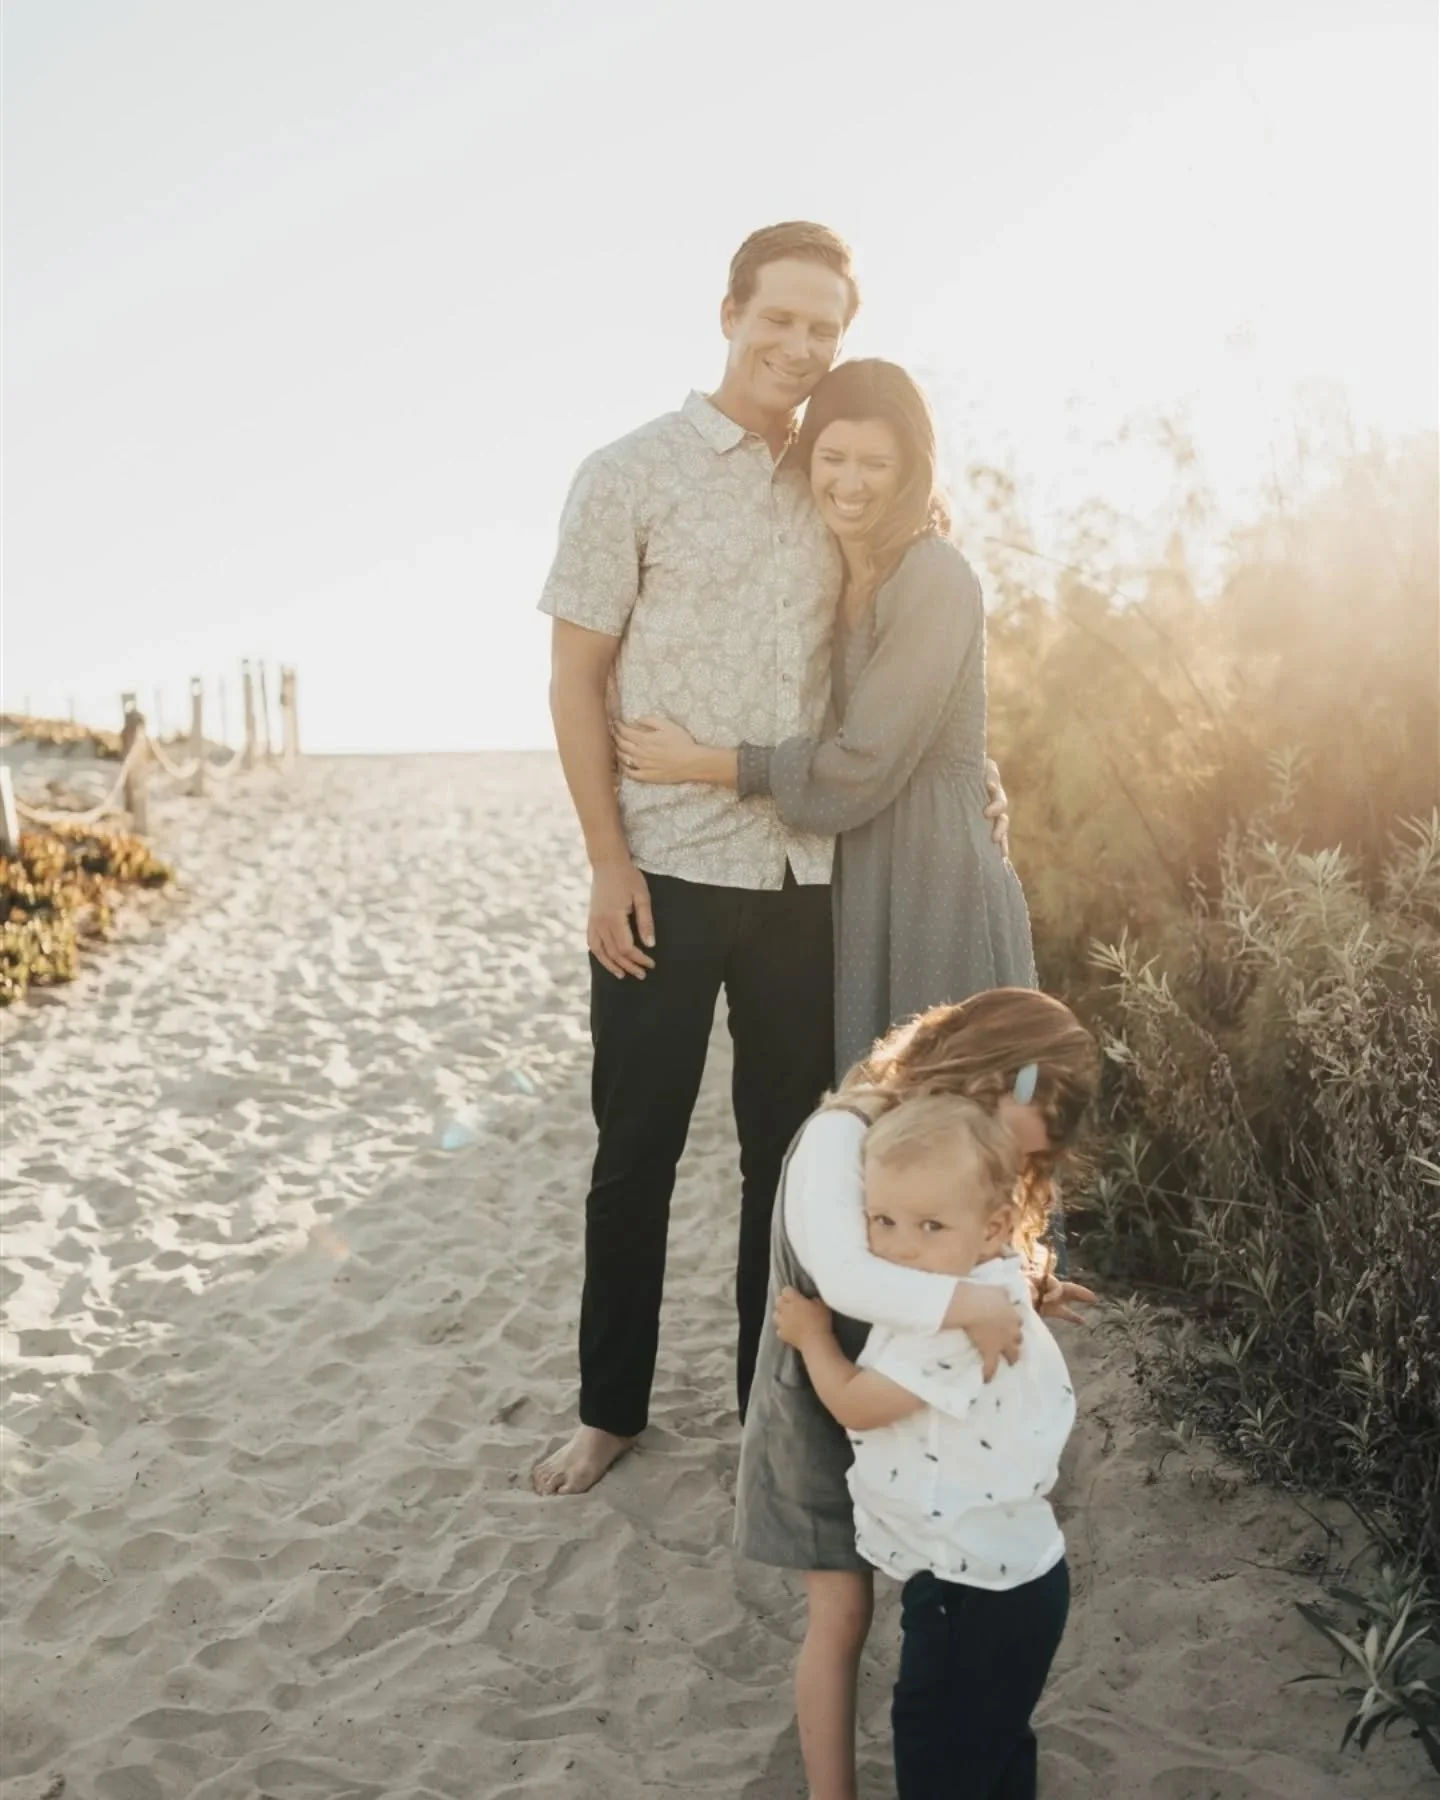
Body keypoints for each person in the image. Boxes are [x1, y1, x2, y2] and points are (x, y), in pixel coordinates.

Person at [532, 224, 1008, 1497]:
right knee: (631, 1153)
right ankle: (610, 1409)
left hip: (811, 887)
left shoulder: (836, 479)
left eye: (824, 330)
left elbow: (897, 657)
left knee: (794, 1173)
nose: (799, 348)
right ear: (730, 312)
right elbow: (576, 679)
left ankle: (768, 1409)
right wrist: (604, 860)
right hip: (667, 871)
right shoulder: (626, 473)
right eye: (780, 320)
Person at [615, 357, 1034, 1079]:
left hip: (935, 871)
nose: (850, 481)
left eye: (876, 463)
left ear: (913, 470)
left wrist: (704, 763)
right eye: (833, 457)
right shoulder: (840, 567)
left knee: (947, 1114)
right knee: (874, 1116)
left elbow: (864, 760)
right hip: (865, 863)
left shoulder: (933, 574)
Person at [735, 988, 1099, 1800]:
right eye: (1010, 1140)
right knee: (840, 1613)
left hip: (902, 1393)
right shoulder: (845, 1129)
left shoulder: (939, 1156)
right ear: (989, 1078)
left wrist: (1024, 1285)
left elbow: (956, 1221)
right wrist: (976, 1304)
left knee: (945, 1700)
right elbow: (850, 1273)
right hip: (820, 1381)